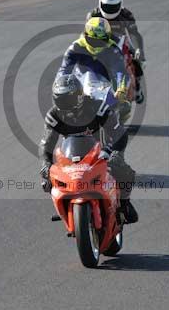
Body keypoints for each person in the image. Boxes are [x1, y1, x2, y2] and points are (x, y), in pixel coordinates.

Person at [39, 74, 138, 224]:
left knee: (123, 171)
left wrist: (114, 153)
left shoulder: (97, 107)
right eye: (60, 99)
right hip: (70, 156)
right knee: (48, 181)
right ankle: (64, 209)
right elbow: (46, 144)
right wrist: (45, 165)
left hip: (101, 152)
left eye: (67, 99)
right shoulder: (54, 116)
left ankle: (124, 204)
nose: (64, 103)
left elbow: (119, 133)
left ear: (79, 96)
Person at [58, 17, 131, 111]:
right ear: (86, 35)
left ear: (107, 39)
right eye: (93, 40)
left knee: (124, 106)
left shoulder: (113, 49)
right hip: (81, 80)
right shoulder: (76, 47)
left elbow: (120, 71)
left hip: (105, 81)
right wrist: (61, 86)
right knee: (62, 100)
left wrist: (121, 89)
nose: (96, 44)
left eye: (101, 41)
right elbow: (64, 69)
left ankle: (114, 118)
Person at [87, 0, 145, 103]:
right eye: (107, 6)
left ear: (120, 4)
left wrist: (139, 49)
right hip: (100, 43)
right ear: (100, 3)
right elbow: (86, 32)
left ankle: (137, 87)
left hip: (121, 43)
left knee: (138, 61)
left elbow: (134, 33)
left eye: (113, 7)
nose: (110, 10)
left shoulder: (126, 15)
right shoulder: (94, 14)